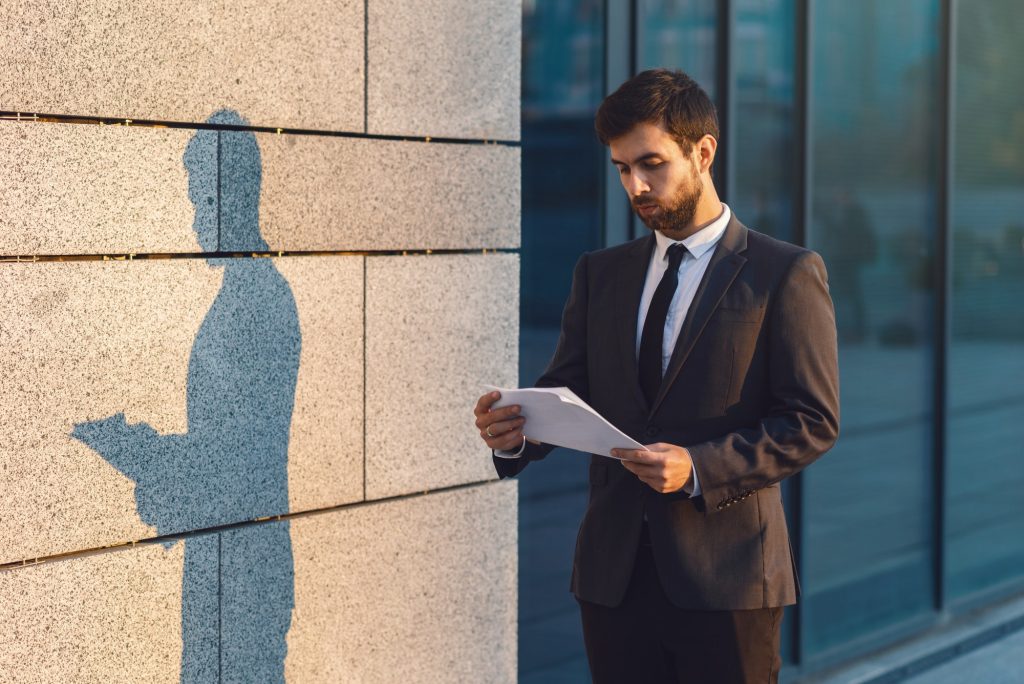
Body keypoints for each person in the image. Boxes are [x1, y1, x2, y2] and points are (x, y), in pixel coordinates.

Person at [473, 69, 839, 683]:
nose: (636, 186)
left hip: (728, 581)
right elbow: (569, 391)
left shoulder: (784, 273)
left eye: (651, 164)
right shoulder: (601, 273)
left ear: (703, 153)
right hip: (613, 578)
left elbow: (811, 422)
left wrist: (698, 467)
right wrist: (516, 432)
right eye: (621, 168)